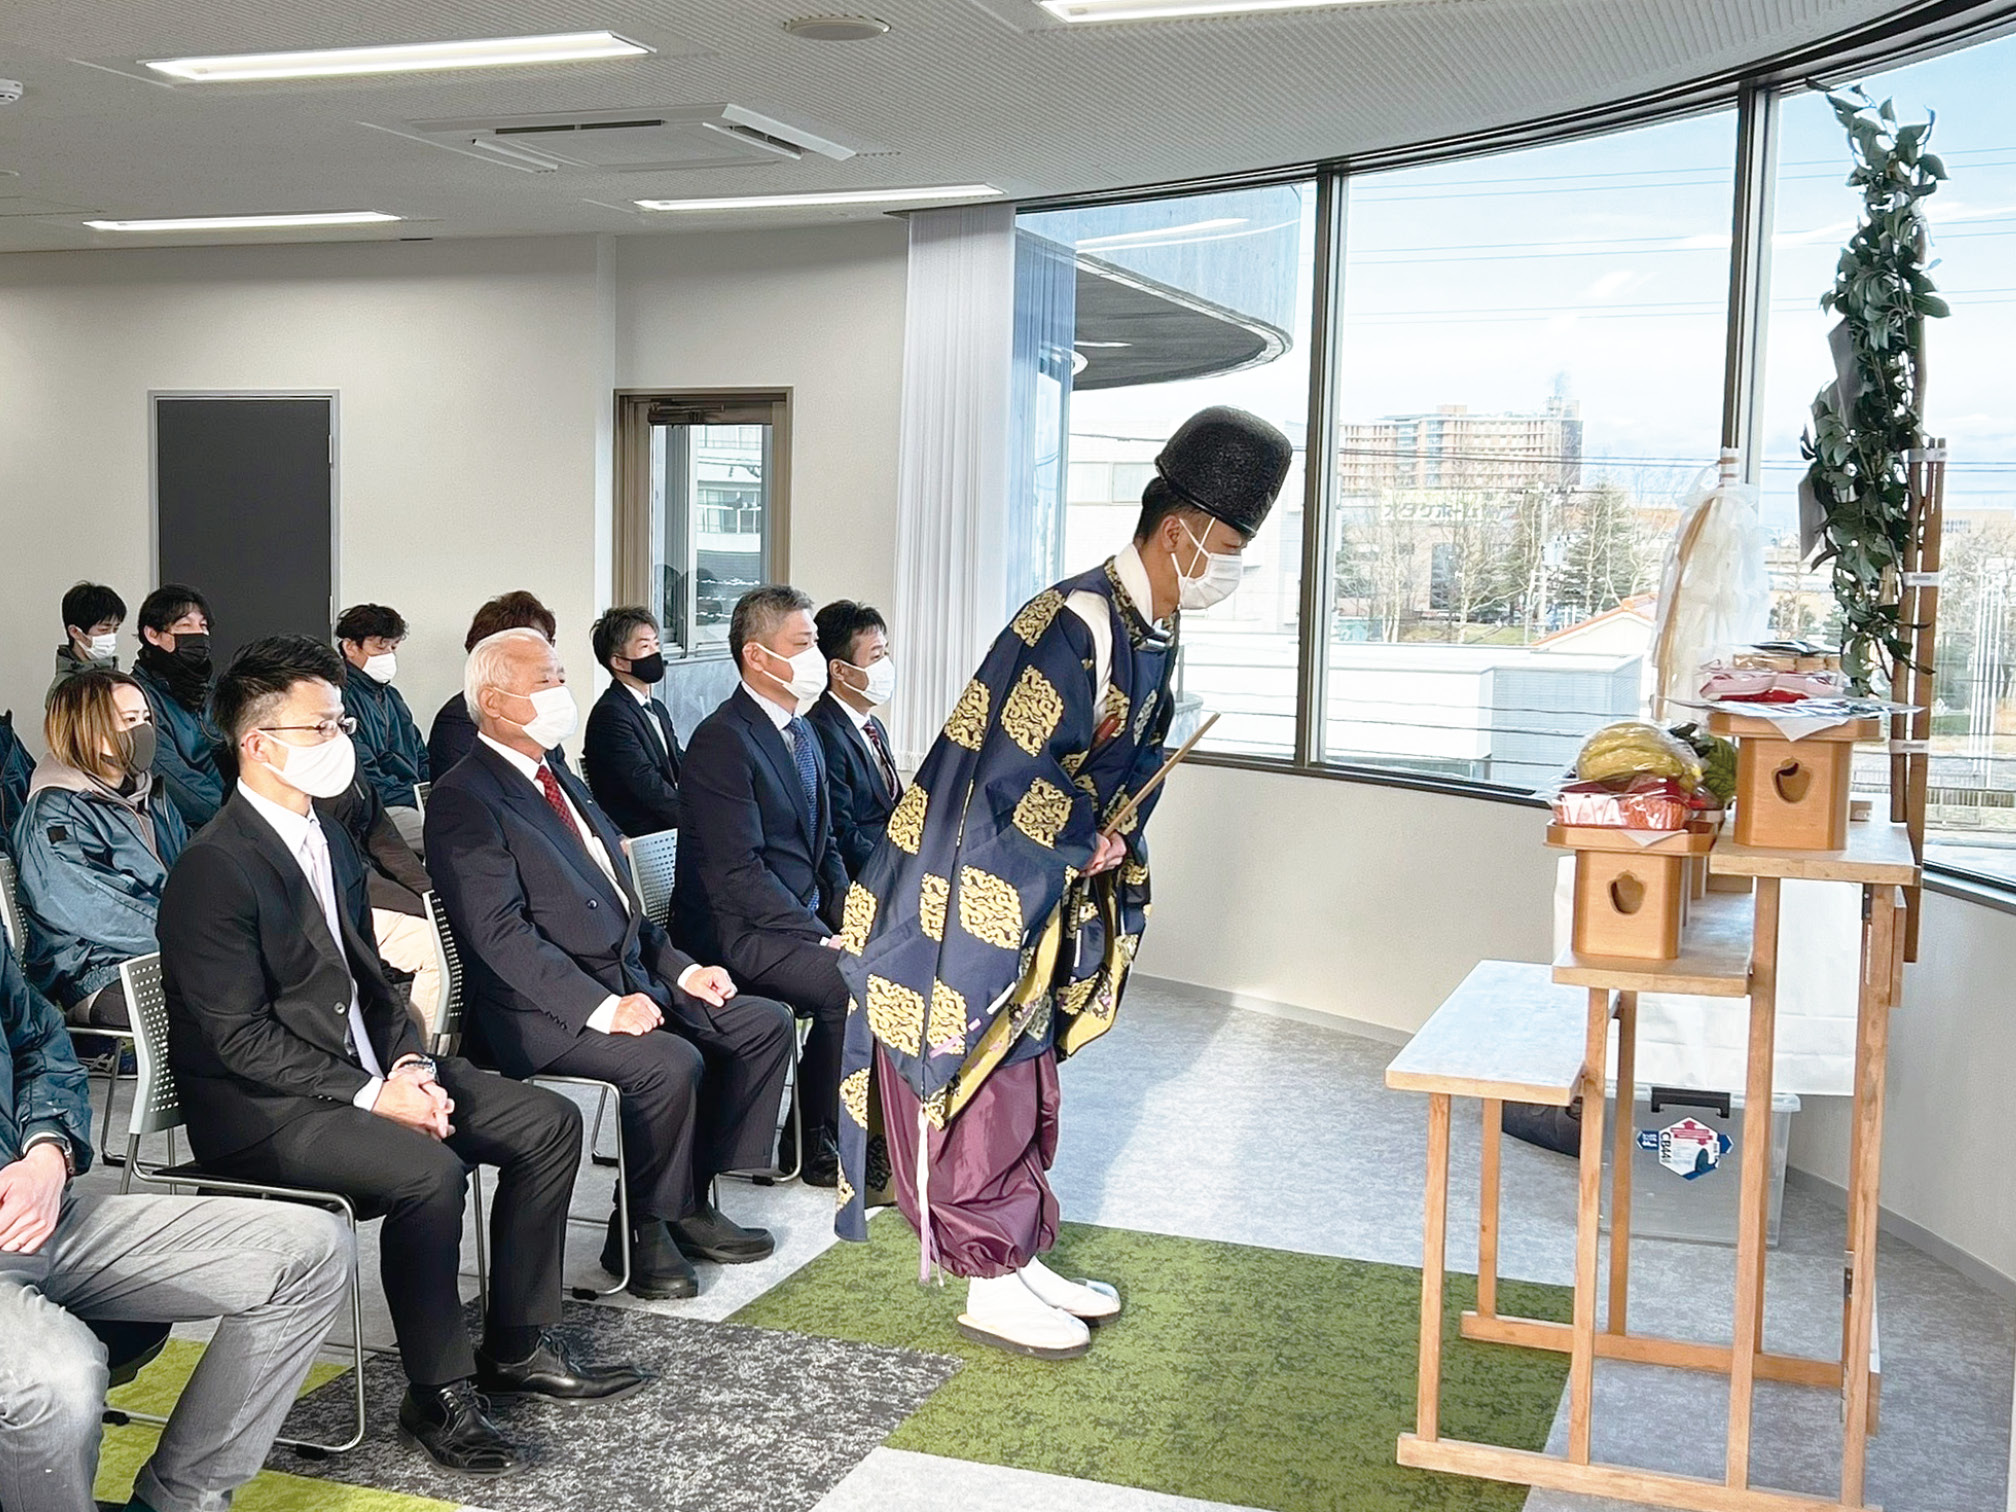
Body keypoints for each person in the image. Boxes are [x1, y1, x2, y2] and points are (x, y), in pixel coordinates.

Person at [832, 406, 1293, 1359]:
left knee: (1028, 1066)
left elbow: (1117, 765)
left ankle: (1019, 1247)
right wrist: (1086, 836)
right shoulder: (1074, 620)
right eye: (1232, 546)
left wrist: (1108, 836)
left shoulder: (1151, 626)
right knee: (981, 1072)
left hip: (1045, 880)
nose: (1234, 567)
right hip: (969, 892)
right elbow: (1010, 768)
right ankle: (982, 1273)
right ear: (1181, 531)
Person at [156, 635, 646, 1477]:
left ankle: (520, 1339)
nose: (341, 739)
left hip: (362, 1076)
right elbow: (233, 1037)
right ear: (258, 743)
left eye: (341, 720)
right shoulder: (214, 867)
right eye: (321, 727)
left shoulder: (331, 841)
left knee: (547, 1122)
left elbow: (374, 981)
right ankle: (437, 1392)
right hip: (265, 1110)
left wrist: (411, 1066)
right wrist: (372, 1095)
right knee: (430, 1171)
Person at [427, 628, 793, 1300]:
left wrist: (684, 971)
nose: (561, 692)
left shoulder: (557, 771)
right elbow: (500, 936)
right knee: (669, 1062)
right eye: (544, 681)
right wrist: (602, 1009)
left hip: (626, 973)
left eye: (560, 676)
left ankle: (689, 1200)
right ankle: (642, 1228)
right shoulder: (466, 796)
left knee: (758, 1023)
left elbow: (620, 903)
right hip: (537, 1008)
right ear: (492, 700)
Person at [0, 937, 351, 1512]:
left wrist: (46, 1152)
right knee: (58, 1378)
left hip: (41, 1211)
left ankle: (178, 1503)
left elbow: (36, 1039)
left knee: (311, 1251)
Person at [673, 587, 850, 1188]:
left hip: (794, 921)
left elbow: (825, 848)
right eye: (802, 645)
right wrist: (820, 937)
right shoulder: (724, 739)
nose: (816, 659)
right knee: (849, 981)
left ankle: (847, 1124)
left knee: (880, 956)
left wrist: (850, 918)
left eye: (816, 644)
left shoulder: (802, 732)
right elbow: (737, 874)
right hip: (737, 931)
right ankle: (815, 1134)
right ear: (756, 655)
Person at [13, 671, 186, 1031]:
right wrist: (194, 934)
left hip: (168, 953)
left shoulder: (149, 794)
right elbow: (95, 912)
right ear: (86, 729)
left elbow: (191, 874)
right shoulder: (54, 815)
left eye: (145, 719)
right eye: (128, 720)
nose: (143, 730)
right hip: (94, 974)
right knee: (229, 1006)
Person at [807, 600, 902, 879]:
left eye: (885, 653)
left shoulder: (873, 726)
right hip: (867, 876)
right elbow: (841, 831)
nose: (886, 665)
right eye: (875, 657)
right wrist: (896, 872)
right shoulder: (823, 732)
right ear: (839, 670)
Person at [429, 592, 570, 778]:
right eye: (533, 643)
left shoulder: (541, 721)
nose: (547, 652)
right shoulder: (458, 720)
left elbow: (567, 790)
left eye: (548, 642)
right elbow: (471, 796)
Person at [582, 606, 686, 838]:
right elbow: (645, 784)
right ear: (619, 662)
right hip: (643, 833)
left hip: (667, 824)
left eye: (656, 645)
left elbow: (678, 761)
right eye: (644, 647)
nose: (655, 653)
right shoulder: (610, 715)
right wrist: (696, 820)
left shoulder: (656, 707)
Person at [130, 585, 227, 830]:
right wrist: (236, 817)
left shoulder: (209, 690)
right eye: (185, 626)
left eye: (203, 626)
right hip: (187, 829)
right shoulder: (138, 699)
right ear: (153, 635)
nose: (199, 634)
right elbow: (171, 777)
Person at [336, 603, 429, 854]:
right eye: (380, 646)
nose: (388, 654)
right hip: (381, 807)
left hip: (410, 799)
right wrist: (413, 798)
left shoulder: (392, 697)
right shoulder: (340, 698)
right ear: (350, 647)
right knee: (452, 835)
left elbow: (420, 752)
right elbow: (363, 773)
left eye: (393, 647)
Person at [48, 581, 126, 704]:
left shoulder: (119, 679)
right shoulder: (64, 691)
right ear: (75, 632)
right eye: (104, 630)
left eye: (115, 629)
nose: (111, 636)